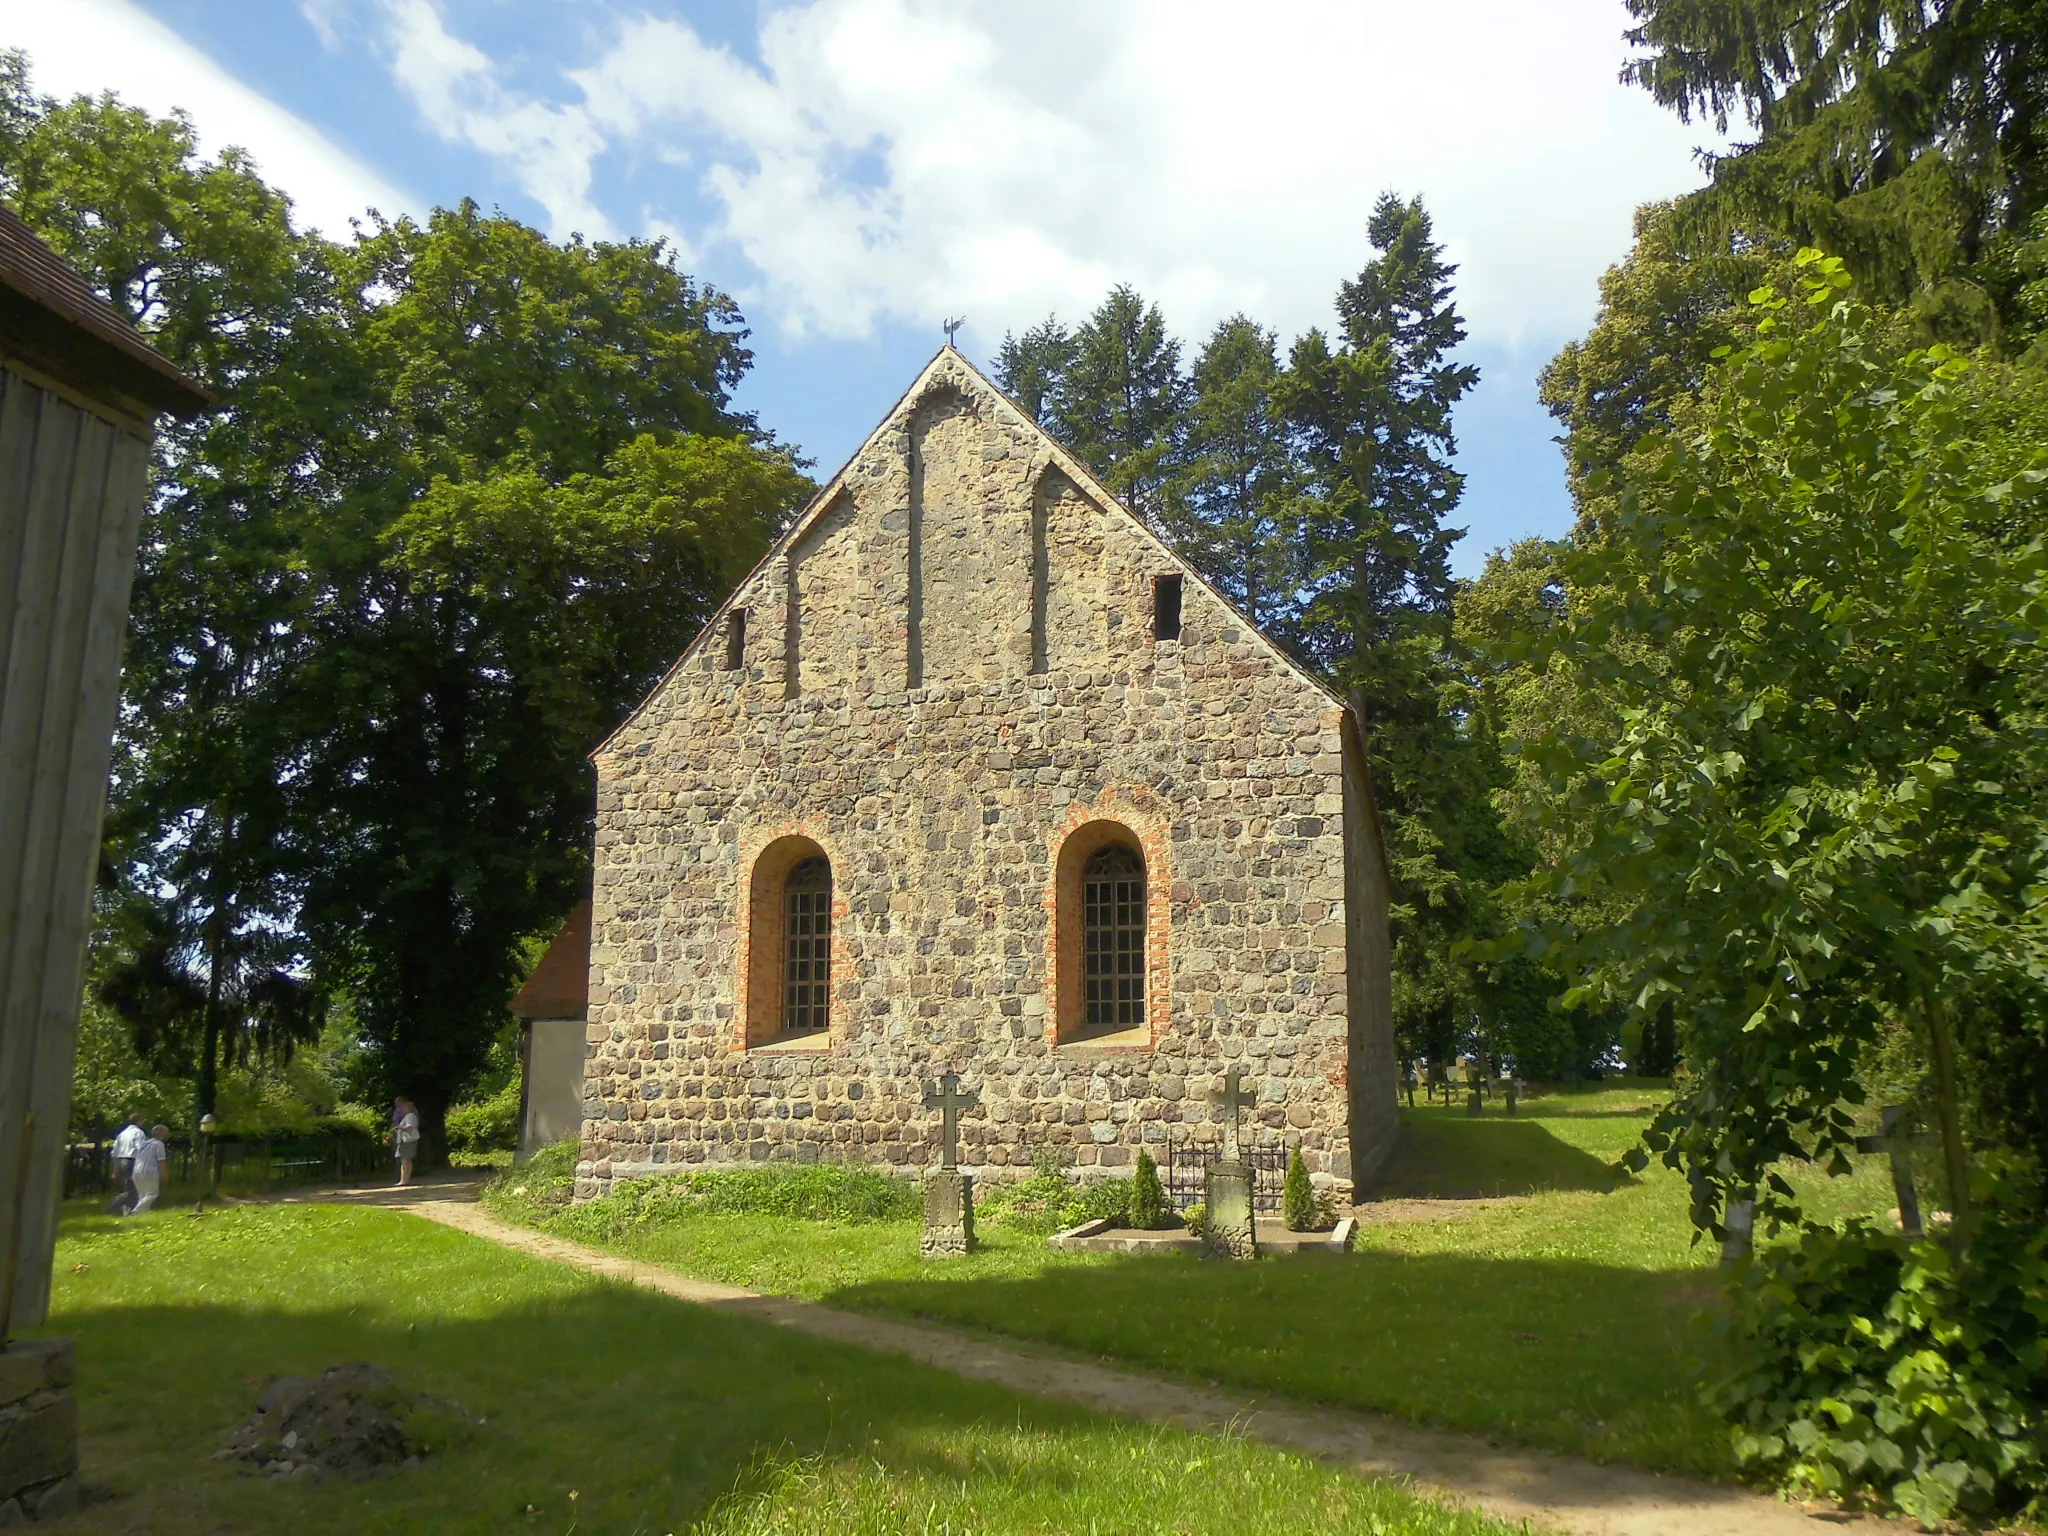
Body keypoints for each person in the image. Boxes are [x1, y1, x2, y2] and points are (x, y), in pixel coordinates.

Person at [107, 1114, 145, 1216]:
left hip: (120, 1160)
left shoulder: (122, 1134)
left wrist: (115, 1169)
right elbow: (140, 1149)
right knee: (133, 1189)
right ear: (139, 1121)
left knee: (126, 1186)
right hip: (131, 1161)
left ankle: (128, 1210)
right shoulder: (138, 1133)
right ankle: (113, 1207)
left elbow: (114, 1152)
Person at [128, 1125, 169, 1215]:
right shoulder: (159, 1144)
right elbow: (161, 1160)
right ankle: (136, 1211)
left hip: (137, 1170)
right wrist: (164, 1174)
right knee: (152, 1194)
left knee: (142, 1195)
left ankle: (142, 1213)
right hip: (149, 1170)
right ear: (163, 1134)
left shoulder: (143, 1143)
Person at [392, 1097, 420, 1187]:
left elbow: (409, 1127)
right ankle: (405, 1179)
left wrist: (398, 1127)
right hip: (406, 1140)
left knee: (404, 1160)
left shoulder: (410, 1116)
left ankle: (404, 1180)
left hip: (407, 1140)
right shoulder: (409, 1116)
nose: (402, 1110)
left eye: (404, 1108)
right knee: (407, 1161)